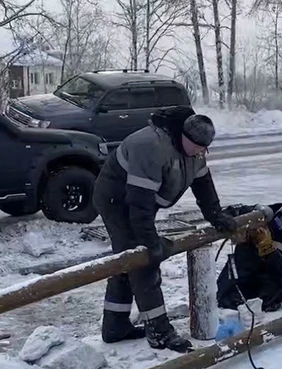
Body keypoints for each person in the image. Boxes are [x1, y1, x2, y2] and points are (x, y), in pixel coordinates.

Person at [93, 106, 238, 353]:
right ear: (184, 137)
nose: (201, 153)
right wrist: (151, 243)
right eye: (198, 147)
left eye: (205, 149)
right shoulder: (151, 147)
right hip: (117, 198)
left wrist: (216, 215)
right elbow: (139, 205)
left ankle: (115, 326)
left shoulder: (194, 150)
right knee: (141, 260)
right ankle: (159, 332)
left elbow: (203, 184)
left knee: (127, 260)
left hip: (140, 200)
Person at [216, 200, 282, 313]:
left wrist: (267, 247)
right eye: (277, 220)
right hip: (243, 264)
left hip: (268, 275)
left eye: (280, 226)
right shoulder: (263, 212)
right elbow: (226, 214)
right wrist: (236, 228)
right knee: (225, 296)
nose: (274, 226)